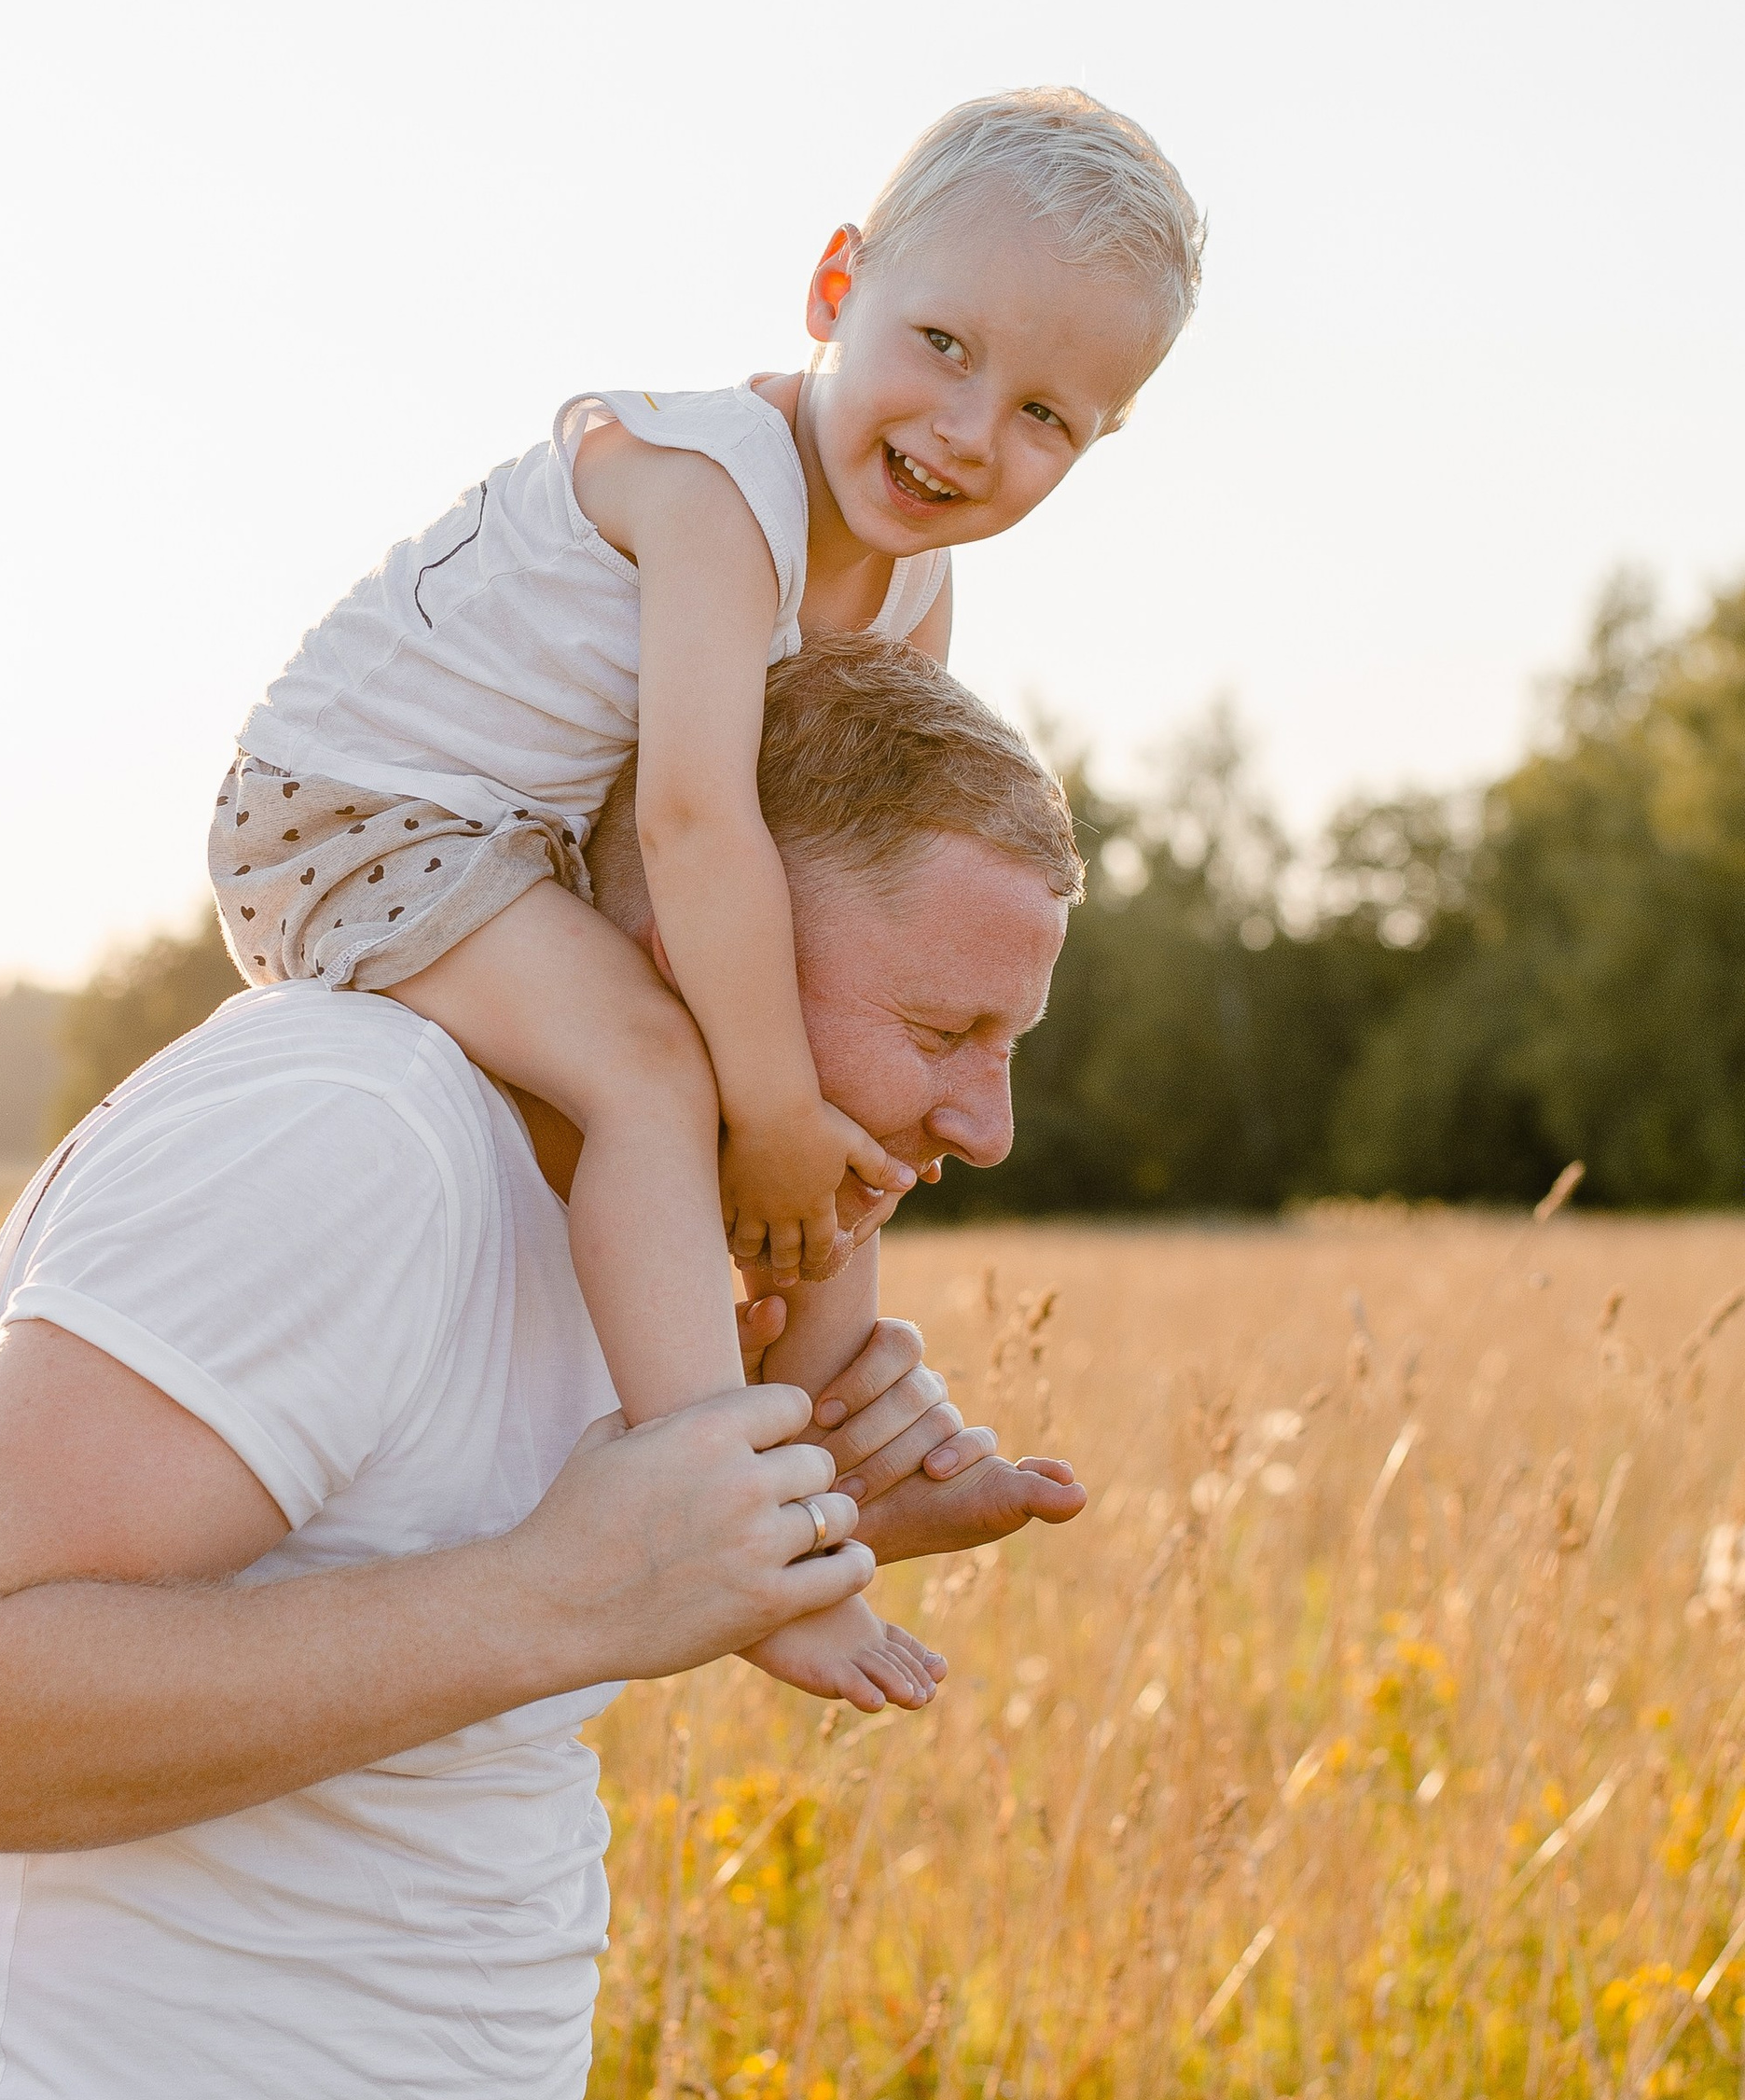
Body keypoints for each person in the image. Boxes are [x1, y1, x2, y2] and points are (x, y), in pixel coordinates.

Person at [0, 632, 1088, 2100]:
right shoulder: (349, 1134)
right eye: (942, 1032)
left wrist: (770, 1531)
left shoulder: (623, 1214)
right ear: (705, 964)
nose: (988, 1127)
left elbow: (407, 1676)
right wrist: (563, 1597)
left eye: (1009, 1048)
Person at [214, 85, 1198, 1704]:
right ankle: (736, 1539)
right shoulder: (714, 489)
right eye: (943, 344)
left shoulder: (917, 578)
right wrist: (765, 1102)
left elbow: (828, 865)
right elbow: (690, 818)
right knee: (667, 1076)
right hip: (359, 815)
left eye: (1046, 417)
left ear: (1099, 440)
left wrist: (816, 1117)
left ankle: (826, 1470)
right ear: (835, 290)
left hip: (531, 843)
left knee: (832, 1088)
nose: (969, 431)